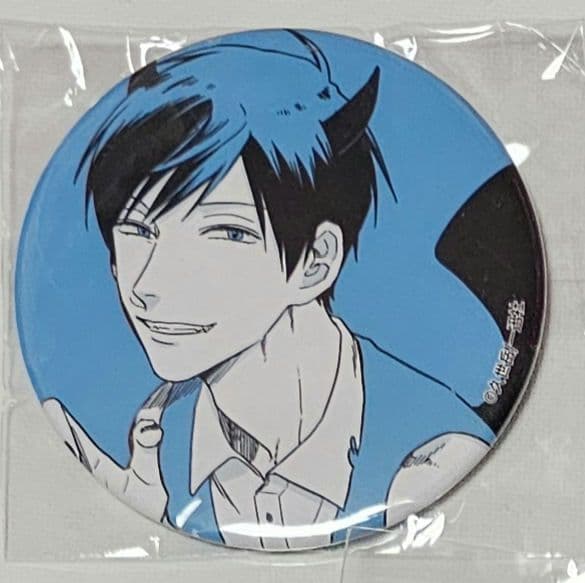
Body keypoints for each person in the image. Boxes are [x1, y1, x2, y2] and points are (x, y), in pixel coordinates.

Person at [43, 31, 494, 550]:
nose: (148, 286)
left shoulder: (429, 449)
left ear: (315, 261)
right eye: (138, 230)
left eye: (223, 233)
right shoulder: (146, 452)